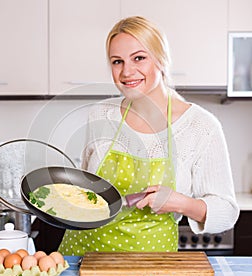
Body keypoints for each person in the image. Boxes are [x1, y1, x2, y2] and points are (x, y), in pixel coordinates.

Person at [58, 16, 239, 255]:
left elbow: (227, 212)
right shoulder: (100, 115)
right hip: (81, 256)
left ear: (161, 60)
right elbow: (87, 190)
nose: (127, 71)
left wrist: (181, 203)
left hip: (151, 262)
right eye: (117, 61)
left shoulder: (200, 126)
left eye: (139, 58)